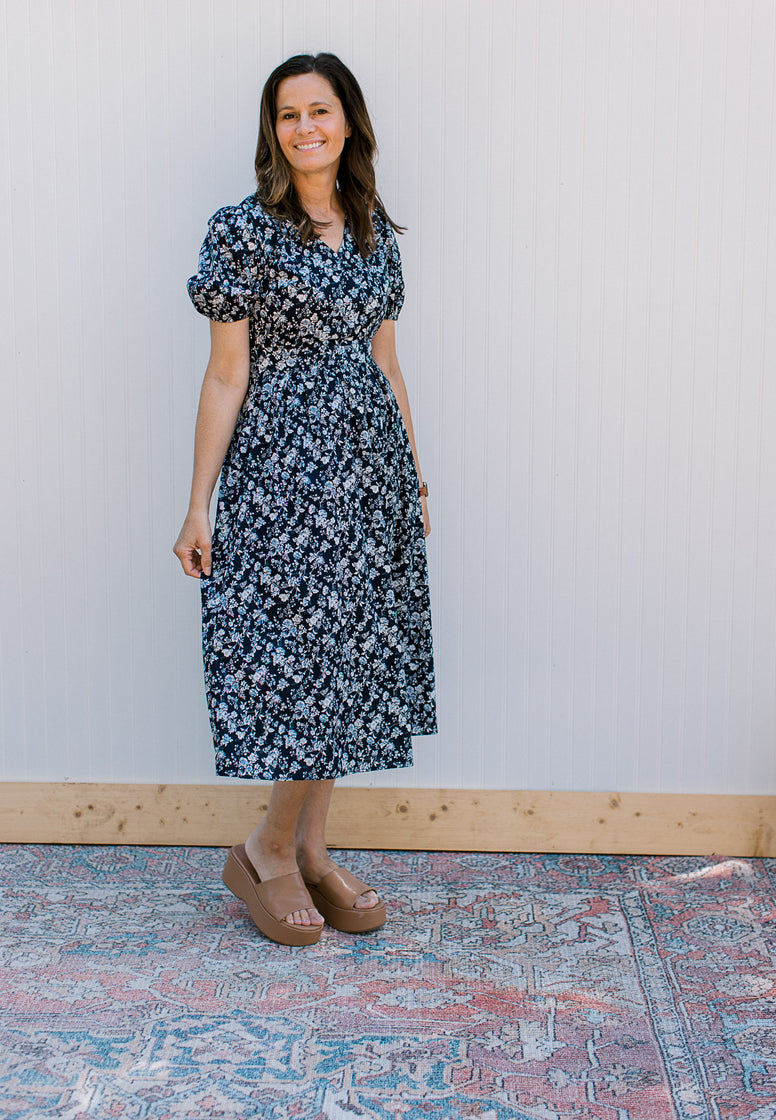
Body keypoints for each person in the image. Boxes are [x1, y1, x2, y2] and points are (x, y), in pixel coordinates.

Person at [173, 53, 437, 947]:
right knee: (304, 661)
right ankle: (271, 849)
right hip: (284, 474)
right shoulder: (242, 231)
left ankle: (311, 849)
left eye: (320, 111)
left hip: (369, 476)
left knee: (348, 660)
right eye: (287, 115)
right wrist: (198, 502)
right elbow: (223, 374)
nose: (305, 128)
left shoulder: (372, 232)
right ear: (273, 129)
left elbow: (387, 364)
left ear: (349, 121)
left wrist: (415, 475)